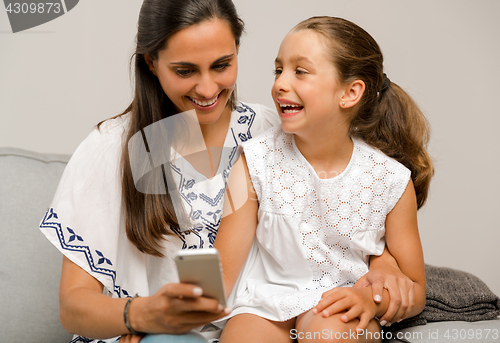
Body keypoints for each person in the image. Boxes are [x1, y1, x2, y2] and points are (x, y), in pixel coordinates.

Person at [39, 1, 419, 342]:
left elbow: (343, 217)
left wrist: (384, 265)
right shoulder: (112, 148)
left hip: (267, 323)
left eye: (222, 65)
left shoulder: (275, 129)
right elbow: (73, 307)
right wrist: (141, 315)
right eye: (185, 70)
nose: (208, 88)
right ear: (151, 62)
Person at [214, 16, 434, 342]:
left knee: (330, 334)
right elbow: (221, 273)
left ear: (350, 93)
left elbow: (414, 290)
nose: (280, 83)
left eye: (300, 71)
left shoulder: (390, 181)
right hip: (266, 303)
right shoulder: (256, 161)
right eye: (279, 70)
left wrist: (370, 301)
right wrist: (165, 315)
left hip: (340, 300)